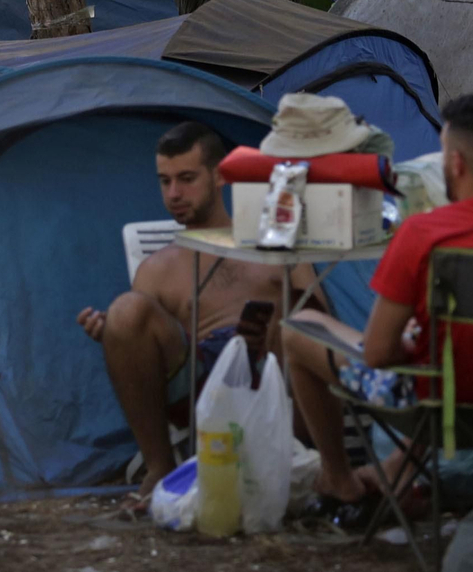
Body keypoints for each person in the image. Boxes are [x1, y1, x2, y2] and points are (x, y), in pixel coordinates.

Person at [281, 94, 473, 528]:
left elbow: (377, 354)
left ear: (455, 163)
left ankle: (338, 480)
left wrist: (408, 344)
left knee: (299, 328)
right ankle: (402, 470)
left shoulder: (425, 233)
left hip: (440, 413)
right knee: (446, 349)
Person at [77, 122, 315, 508]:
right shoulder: (158, 268)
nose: (174, 194)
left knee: (299, 317)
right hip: (204, 382)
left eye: (186, 179)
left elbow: (319, 321)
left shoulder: (275, 243)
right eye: (165, 181)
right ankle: (160, 468)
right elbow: (143, 345)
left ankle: (305, 458)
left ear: (219, 175)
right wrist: (114, 332)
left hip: (276, 371)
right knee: (126, 310)